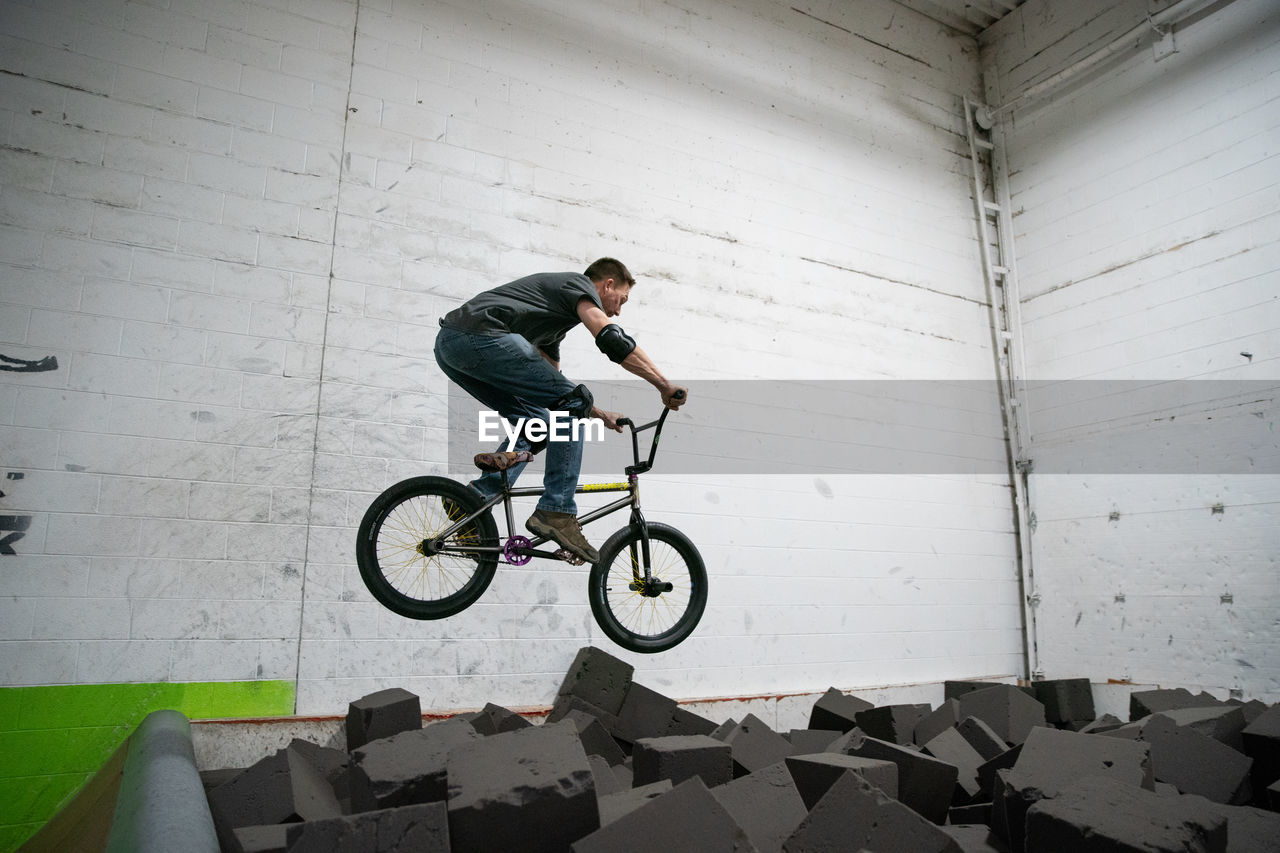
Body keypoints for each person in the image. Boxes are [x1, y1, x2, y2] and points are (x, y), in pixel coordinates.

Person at [434, 258, 687, 563]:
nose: (618, 310)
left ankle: (474, 500)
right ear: (607, 284)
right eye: (621, 299)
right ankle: (557, 509)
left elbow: (555, 391)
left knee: (538, 422)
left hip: (452, 347)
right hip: (479, 336)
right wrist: (662, 384)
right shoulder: (577, 285)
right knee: (572, 403)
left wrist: (600, 413)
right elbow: (610, 339)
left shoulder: (551, 329)